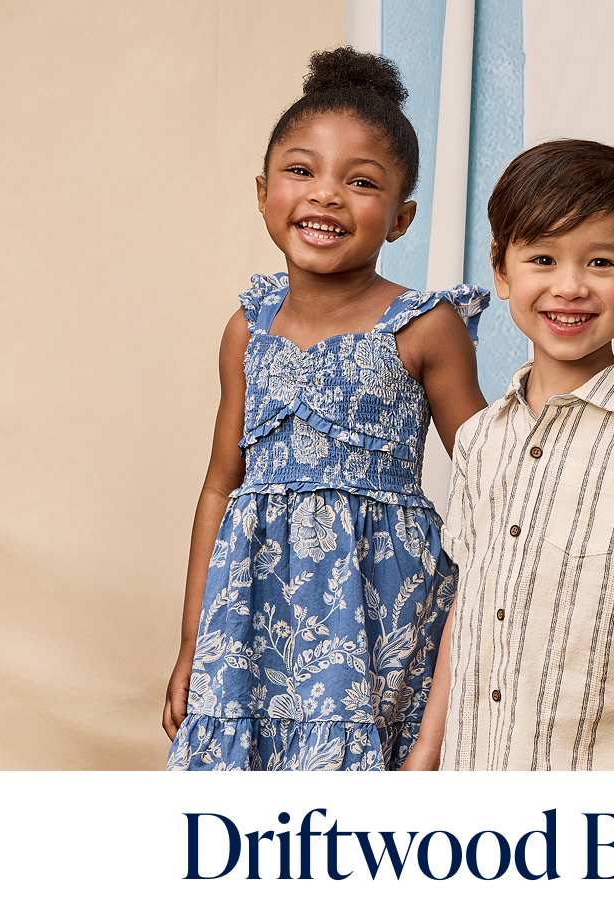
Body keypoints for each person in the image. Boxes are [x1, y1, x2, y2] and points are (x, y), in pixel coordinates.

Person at [163, 47, 488, 770]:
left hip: (377, 617)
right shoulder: (248, 328)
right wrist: (193, 643)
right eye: (301, 170)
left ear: (400, 218)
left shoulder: (422, 326)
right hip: (248, 618)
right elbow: (221, 483)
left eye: (361, 181)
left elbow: (491, 480)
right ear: (262, 191)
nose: (326, 195)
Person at [403, 139, 614, 771]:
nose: (569, 287)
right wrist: (427, 750)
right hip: (475, 763)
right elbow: (467, 603)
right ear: (502, 271)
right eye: (543, 259)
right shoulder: (479, 440)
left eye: (601, 261)